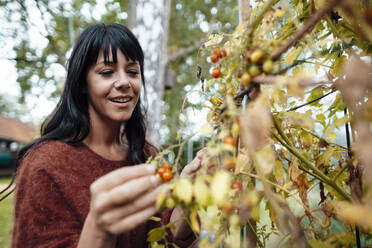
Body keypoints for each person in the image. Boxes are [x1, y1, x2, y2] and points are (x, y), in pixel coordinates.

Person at [12, 23, 203, 248]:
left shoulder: (147, 154)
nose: (124, 82)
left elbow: (171, 238)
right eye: (106, 72)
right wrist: (99, 228)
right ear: (83, 83)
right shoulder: (44, 165)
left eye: (132, 71)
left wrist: (190, 189)